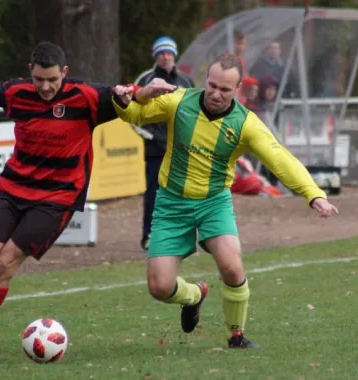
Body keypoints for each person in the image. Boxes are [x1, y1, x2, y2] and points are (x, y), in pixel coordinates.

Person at [112, 52, 338, 348]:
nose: (216, 94)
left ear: (237, 90)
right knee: (159, 287)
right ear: (206, 81)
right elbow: (134, 114)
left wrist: (314, 194)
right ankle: (195, 296)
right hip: (171, 203)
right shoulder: (178, 101)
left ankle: (236, 335)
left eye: (225, 89)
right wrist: (126, 98)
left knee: (232, 264)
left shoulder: (246, 124)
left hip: (213, 203)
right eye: (212, 85)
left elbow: (279, 158)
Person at [0, 41, 135, 359]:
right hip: (14, 189)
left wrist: (143, 90)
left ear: (64, 73)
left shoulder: (86, 97)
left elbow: (128, 94)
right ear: (30, 71)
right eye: (39, 79)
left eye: (52, 80)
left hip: (57, 198)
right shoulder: (17, 93)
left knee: (3, 265)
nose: (45, 86)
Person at [132, 36, 194, 251]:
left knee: (181, 193)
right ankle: (148, 235)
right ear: (155, 56)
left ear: (175, 55)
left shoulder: (186, 81)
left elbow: (195, 112)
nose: (166, 57)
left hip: (181, 150)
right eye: (161, 53)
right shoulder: (146, 79)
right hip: (155, 151)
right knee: (154, 194)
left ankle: (179, 235)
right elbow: (132, 113)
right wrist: (151, 136)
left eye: (169, 53)